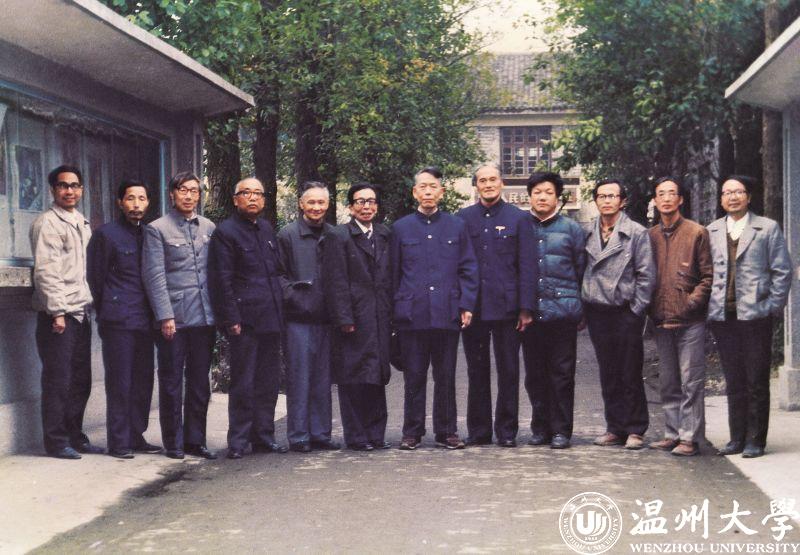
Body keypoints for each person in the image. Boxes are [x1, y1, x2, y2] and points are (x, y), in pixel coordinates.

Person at [391, 166, 478, 450]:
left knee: (446, 376)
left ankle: (447, 431)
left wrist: (466, 304)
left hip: (446, 312)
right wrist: (395, 311)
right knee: (414, 376)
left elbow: (468, 268)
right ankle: (412, 431)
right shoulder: (401, 228)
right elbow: (393, 273)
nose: (428, 192)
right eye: (423, 187)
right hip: (412, 314)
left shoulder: (456, 226)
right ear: (414, 192)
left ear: (442, 192)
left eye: (433, 187)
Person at [707, 175, 792, 459]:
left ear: (749, 197)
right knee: (733, 380)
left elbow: (782, 271)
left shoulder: (766, 228)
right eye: (727, 193)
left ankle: (756, 440)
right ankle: (736, 438)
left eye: (738, 192)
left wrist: (771, 307)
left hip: (756, 315)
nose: (733, 197)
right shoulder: (712, 230)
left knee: (756, 379)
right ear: (721, 199)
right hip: (723, 316)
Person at [455, 164, 536, 447]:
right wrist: (462, 303)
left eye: (492, 179)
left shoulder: (519, 218)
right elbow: (459, 265)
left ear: (502, 183)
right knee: (476, 370)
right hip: (474, 306)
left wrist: (526, 307)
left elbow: (527, 265)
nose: (488, 184)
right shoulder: (463, 218)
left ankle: (506, 431)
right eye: (482, 180)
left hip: (508, 308)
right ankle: (479, 430)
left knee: (509, 370)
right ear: (476, 185)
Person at [208, 178, 288, 459]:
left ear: (264, 199)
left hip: (271, 317)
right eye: (246, 193)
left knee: (268, 381)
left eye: (257, 193)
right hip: (244, 320)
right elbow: (221, 280)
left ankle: (264, 436)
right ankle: (239, 441)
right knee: (243, 382)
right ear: (235, 199)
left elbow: (277, 271)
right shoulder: (225, 233)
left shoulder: (266, 229)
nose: (252, 198)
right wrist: (230, 318)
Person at [30, 165, 103, 459]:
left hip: (80, 311)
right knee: (58, 381)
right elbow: (46, 272)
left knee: (80, 380)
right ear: (53, 190)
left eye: (74, 186)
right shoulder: (47, 223)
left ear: (81, 190)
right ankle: (56, 441)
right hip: (58, 316)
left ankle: (74, 435)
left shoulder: (81, 222)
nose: (69, 191)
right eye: (63, 185)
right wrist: (57, 312)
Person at [143, 171, 217, 460]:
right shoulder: (157, 229)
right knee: (172, 382)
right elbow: (154, 276)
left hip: (204, 316)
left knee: (200, 382)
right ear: (172, 194)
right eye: (183, 190)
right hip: (174, 319)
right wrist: (165, 316)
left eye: (194, 191)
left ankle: (195, 440)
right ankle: (173, 441)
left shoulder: (208, 227)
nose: (188, 196)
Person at [87, 180, 161, 459]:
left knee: (143, 381)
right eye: (130, 198)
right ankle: (118, 441)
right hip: (118, 320)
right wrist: (108, 309)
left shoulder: (149, 234)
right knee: (120, 382)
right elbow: (95, 279)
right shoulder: (106, 235)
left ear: (148, 202)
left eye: (142, 198)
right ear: (120, 202)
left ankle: (135, 435)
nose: (136, 204)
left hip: (145, 319)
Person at [582, 178, 655, 450]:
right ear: (596, 200)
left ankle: (635, 428)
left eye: (612, 196)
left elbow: (646, 275)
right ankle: (614, 427)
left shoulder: (636, 232)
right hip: (597, 310)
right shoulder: (588, 232)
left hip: (625, 310)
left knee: (629, 370)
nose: (607, 201)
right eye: (602, 196)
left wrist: (636, 310)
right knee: (608, 371)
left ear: (622, 201)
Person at [322, 183, 392, 451]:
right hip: (353, 316)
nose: (366, 206)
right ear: (350, 207)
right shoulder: (339, 236)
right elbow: (335, 280)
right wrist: (344, 318)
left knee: (376, 374)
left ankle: (376, 433)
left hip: (379, 315)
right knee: (353, 376)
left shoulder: (384, 234)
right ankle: (357, 435)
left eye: (371, 201)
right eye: (360, 202)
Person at [647, 176, 712, 457]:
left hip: (690, 320)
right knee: (668, 380)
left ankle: (690, 437)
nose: (666, 198)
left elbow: (708, 276)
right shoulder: (650, 236)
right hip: (661, 319)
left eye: (671, 193)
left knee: (691, 380)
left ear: (681, 199)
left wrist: (691, 302)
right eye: (661, 193)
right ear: (655, 200)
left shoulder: (697, 232)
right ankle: (672, 433)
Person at [522, 172, 586, 449]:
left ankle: (561, 430)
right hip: (531, 313)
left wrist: (580, 307)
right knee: (534, 375)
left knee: (561, 374)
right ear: (530, 197)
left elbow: (581, 269)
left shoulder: (571, 229)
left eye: (548, 192)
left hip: (563, 312)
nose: (542, 197)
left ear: (558, 197)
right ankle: (540, 428)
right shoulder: (522, 226)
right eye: (537, 192)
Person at [277, 181, 340, 453]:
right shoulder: (287, 235)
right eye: (311, 202)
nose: (316, 207)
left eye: (321, 202)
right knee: (299, 378)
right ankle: (299, 435)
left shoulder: (335, 235)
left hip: (327, 318)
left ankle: (321, 433)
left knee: (323, 379)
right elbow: (278, 275)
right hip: (298, 318)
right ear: (301, 204)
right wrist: (296, 298)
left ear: (328, 205)